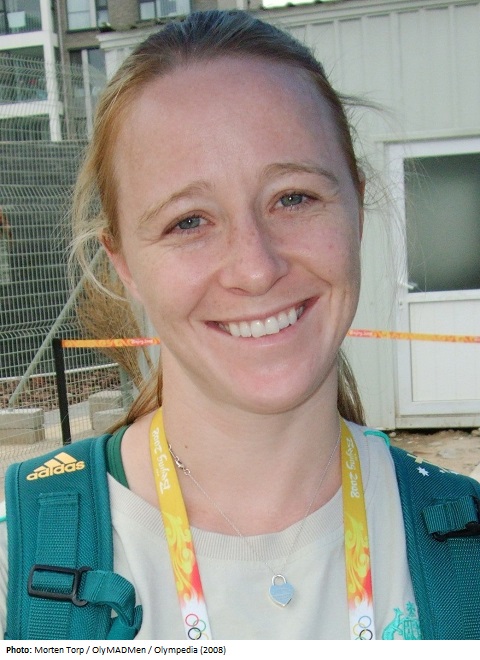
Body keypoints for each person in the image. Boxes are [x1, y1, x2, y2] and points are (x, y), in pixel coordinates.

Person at [1, 10, 478, 641]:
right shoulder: (17, 568)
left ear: (357, 210)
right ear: (125, 265)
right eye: (189, 222)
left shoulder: (464, 546)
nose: (256, 268)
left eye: (294, 198)